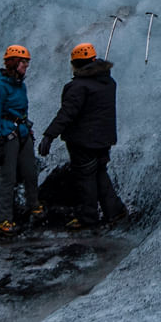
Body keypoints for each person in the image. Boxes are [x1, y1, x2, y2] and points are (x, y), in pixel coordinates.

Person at [39, 43, 127, 230]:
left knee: (85, 179)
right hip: (104, 139)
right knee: (101, 174)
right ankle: (115, 211)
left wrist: (49, 135)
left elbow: (67, 113)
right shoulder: (108, 82)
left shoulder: (78, 86)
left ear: (77, 64)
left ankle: (88, 218)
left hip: (83, 141)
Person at [0, 44, 41, 238]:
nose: (26, 66)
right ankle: (3, 220)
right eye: (23, 62)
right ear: (14, 63)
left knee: (30, 171)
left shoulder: (20, 85)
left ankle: (34, 207)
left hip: (23, 131)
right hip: (7, 133)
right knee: (8, 177)